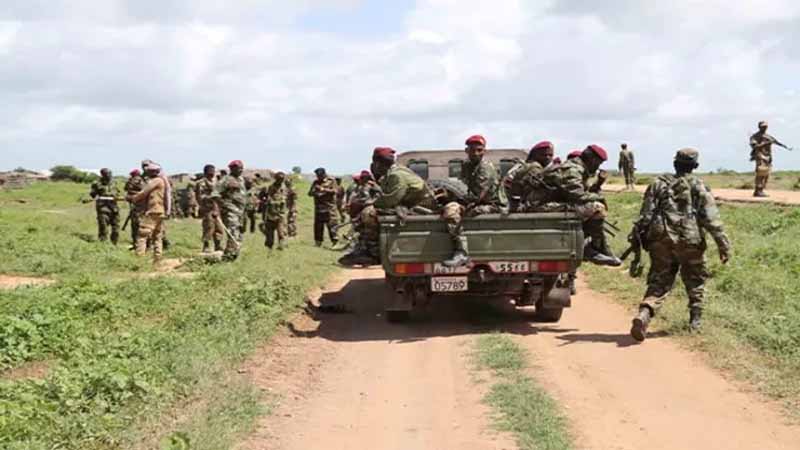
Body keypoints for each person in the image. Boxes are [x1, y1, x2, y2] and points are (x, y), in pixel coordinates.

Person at [629, 148, 731, 341]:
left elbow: (645, 215)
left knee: (659, 280)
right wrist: (723, 244)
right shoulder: (699, 186)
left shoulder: (657, 184)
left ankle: (645, 312)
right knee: (696, 280)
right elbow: (711, 219)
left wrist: (640, 238)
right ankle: (695, 321)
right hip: (690, 240)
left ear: (675, 164)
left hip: (661, 239)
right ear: (695, 166)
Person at [339, 148, 435, 266]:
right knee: (367, 211)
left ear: (378, 163)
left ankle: (373, 253)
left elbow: (391, 199)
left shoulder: (396, 175)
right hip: (412, 205)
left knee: (368, 213)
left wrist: (369, 204)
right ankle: (364, 247)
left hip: (421, 208)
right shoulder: (393, 173)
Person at [540, 145, 621, 266]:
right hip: (543, 205)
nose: (597, 167)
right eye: (598, 163)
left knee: (593, 208)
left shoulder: (578, 169)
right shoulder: (573, 169)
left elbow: (583, 192)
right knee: (597, 207)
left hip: (552, 203)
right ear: (591, 159)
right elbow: (578, 195)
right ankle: (592, 248)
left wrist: (598, 183)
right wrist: (599, 198)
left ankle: (597, 248)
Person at [442, 135, 507, 267]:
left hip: (493, 205)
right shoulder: (467, 165)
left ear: (484, 151)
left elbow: (478, 196)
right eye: (472, 150)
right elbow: (463, 185)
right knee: (447, 207)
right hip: (474, 201)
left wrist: (453, 196)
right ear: (467, 151)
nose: (476, 153)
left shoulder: (486, 168)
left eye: (479, 150)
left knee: (455, 211)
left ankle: (462, 252)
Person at [128, 162, 169, 264]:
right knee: (157, 236)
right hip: (160, 211)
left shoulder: (156, 181)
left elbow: (144, 192)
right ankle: (157, 258)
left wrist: (133, 198)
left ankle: (139, 260)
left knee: (142, 234)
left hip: (153, 211)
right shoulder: (162, 180)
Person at [213, 160, 247, 261]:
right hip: (230, 210)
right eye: (238, 168)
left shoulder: (241, 179)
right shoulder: (225, 180)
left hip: (241, 211)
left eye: (242, 168)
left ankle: (234, 254)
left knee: (240, 233)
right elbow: (215, 195)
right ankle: (229, 257)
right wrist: (216, 209)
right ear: (232, 169)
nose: (241, 170)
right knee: (233, 232)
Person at [508, 141, 555, 211]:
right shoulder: (535, 167)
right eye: (543, 155)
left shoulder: (527, 165)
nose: (547, 158)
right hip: (524, 206)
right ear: (535, 155)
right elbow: (543, 189)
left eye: (550, 155)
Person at [750, 120, 791, 197]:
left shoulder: (768, 136)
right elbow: (754, 146)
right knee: (760, 173)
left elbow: (776, 142)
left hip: (768, 156)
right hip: (760, 156)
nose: (764, 128)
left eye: (766, 126)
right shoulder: (755, 136)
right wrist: (765, 143)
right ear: (759, 127)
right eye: (763, 126)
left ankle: (760, 190)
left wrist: (785, 147)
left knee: (766, 174)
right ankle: (758, 190)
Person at [308, 167, 339, 247]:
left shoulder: (331, 180)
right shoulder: (316, 182)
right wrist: (316, 192)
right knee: (318, 226)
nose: (318, 177)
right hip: (319, 208)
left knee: (331, 225)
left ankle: (335, 242)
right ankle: (318, 242)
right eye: (317, 176)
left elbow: (335, 191)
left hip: (329, 207)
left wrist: (323, 189)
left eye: (319, 176)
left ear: (324, 174)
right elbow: (310, 193)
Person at [89, 168, 121, 244]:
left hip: (114, 208)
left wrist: (117, 196)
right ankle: (102, 243)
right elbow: (93, 194)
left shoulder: (114, 182)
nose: (109, 175)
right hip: (103, 208)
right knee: (103, 227)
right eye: (107, 174)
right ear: (102, 175)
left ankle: (114, 243)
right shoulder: (97, 183)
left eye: (110, 173)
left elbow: (118, 192)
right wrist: (97, 196)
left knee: (116, 227)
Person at [196, 164, 223, 252]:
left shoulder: (217, 182)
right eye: (210, 172)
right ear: (205, 173)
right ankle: (206, 245)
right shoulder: (201, 183)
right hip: (207, 209)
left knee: (219, 227)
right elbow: (200, 197)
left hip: (217, 208)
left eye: (213, 172)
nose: (212, 173)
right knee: (209, 227)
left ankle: (218, 245)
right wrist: (210, 197)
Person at [260, 171, 288, 250]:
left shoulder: (284, 188)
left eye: (282, 179)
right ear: (276, 178)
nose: (280, 181)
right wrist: (265, 201)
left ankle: (281, 247)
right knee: (269, 234)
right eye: (279, 179)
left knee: (281, 232)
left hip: (280, 214)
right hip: (270, 214)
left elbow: (286, 199)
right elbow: (261, 198)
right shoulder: (268, 188)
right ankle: (269, 249)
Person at [124, 169, 146, 247]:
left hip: (136, 205)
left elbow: (126, 189)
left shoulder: (132, 181)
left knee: (135, 224)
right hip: (142, 205)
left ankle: (136, 242)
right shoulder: (142, 180)